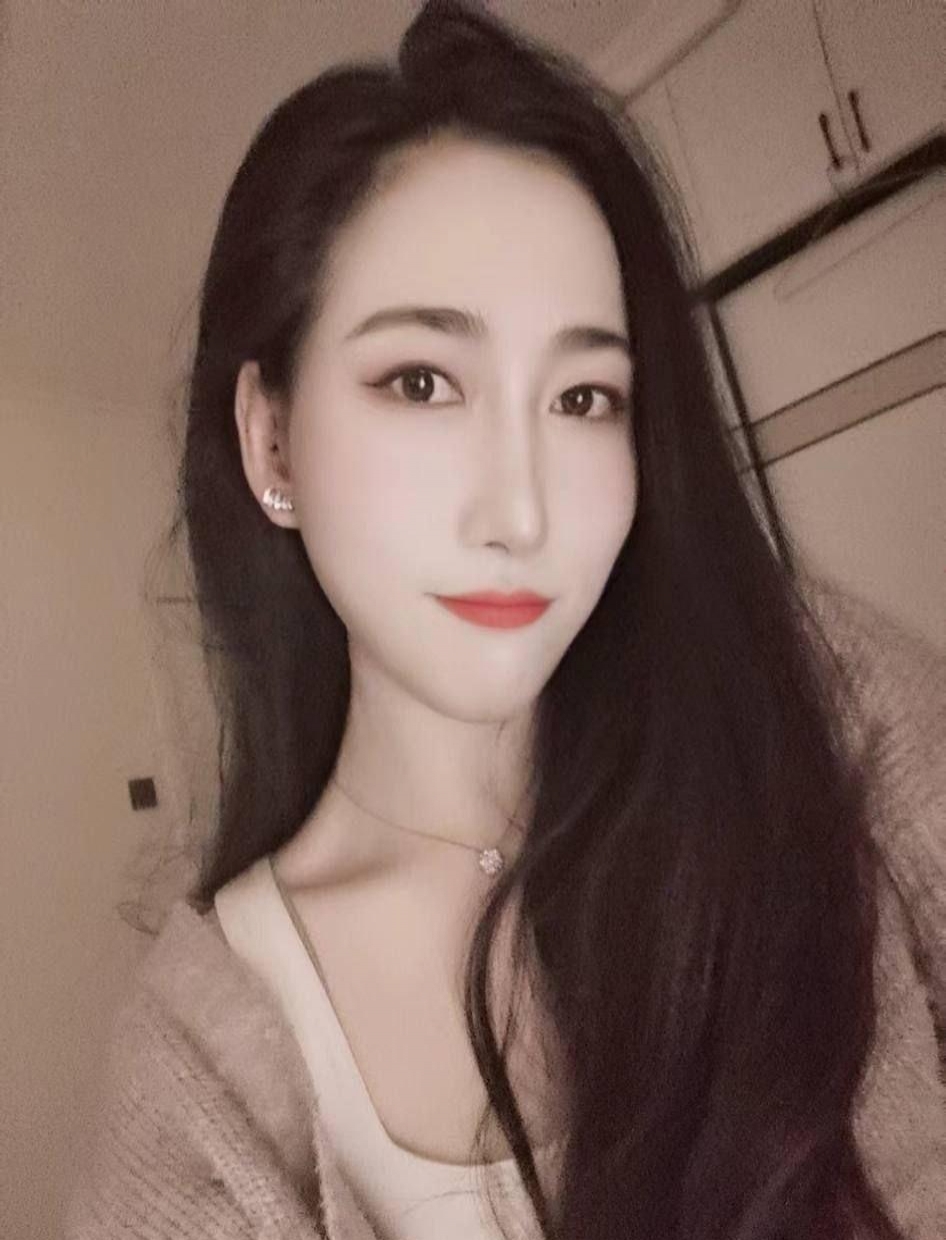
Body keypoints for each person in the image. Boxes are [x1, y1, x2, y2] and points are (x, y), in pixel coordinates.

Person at [65, 2, 945, 1238]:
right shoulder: (198, 1081)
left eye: (584, 397)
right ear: (272, 442)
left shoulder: (824, 714)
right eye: (423, 381)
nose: (523, 509)